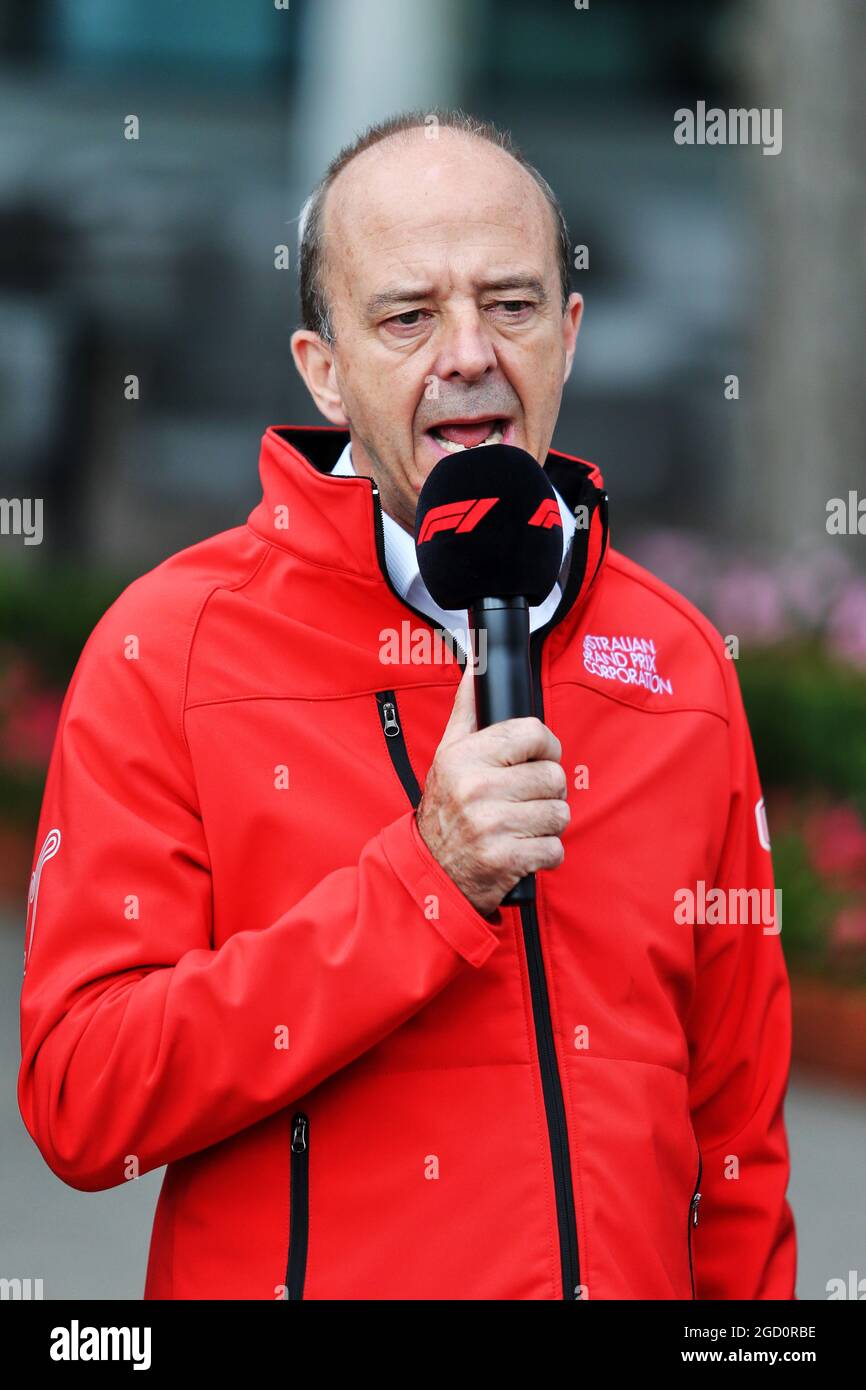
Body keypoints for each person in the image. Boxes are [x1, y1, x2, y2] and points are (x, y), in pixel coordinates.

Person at [18, 109, 797, 1300]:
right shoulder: (166, 649)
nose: (469, 353)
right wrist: (423, 883)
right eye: (406, 316)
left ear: (571, 334)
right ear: (321, 368)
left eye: (513, 304)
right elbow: (83, 1100)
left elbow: (737, 1141)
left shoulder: (678, 664)